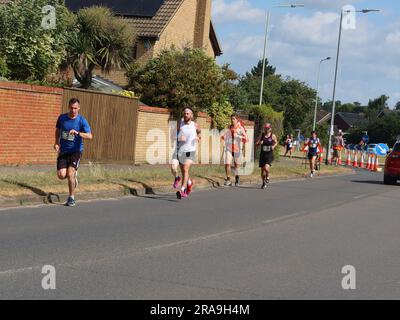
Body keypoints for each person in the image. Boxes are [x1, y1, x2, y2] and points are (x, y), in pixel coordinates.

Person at [54, 98, 92, 207]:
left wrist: (78, 133)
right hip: (63, 151)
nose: (73, 110)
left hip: (76, 151)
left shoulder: (81, 120)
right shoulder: (62, 118)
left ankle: (71, 198)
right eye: (71, 108)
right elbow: (57, 130)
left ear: (79, 108)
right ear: (68, 107)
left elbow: (90, 135)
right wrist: (56, 143)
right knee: (61, 175)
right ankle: (74, 178)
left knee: (70, 174)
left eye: (75, 108)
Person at [171, 107, 201, 199]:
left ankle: (183, 189)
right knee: (176, 169)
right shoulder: (180, 123)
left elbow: (199, 133)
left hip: (190, 151)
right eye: (184, 113)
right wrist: (179, 138)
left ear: (191, 115)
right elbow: (173, 135)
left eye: (188, 113)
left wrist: (198, 138)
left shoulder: (195, 125)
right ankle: (188, 182)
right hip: (180, 150)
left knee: (185, 169)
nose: (185, 115)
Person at [221, 114, 248, 186]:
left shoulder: (241, 128)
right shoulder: (230, 127)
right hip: (229, 148)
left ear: (237, 120)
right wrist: (224, 138)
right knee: (227, 163)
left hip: (237, 149)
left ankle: (237, 178)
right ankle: (228, 179)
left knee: (236, 165)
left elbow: (246, 138)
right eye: (231, 119)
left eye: (233, 119)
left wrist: (238, 136)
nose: (232, 120)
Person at [256, 123, 277, 189]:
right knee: (262, 171)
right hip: (263, 154)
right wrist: (259, 143)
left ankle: (268, 175)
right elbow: (257, 143)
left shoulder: (272, 135)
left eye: (267, 128)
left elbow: (276, 142)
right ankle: (263, 182)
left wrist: (273, 146)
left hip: (269, 154)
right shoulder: (262, 135)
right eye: (265, 128)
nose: (266, 129)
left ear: (270, 128)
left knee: (266, 168)